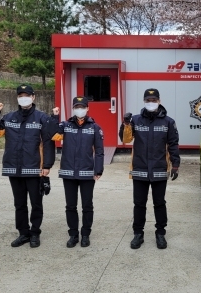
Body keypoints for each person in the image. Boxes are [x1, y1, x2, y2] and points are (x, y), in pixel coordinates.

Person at [0, 84, 56, 248]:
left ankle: (35, 233)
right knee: (19, 204)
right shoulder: (10, 117)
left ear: (33, 97)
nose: (23, 98)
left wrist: (47, 165)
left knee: (36, 203)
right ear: (17, 98)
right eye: (20, 95)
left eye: (27, 95)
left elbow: (48, 143)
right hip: (14, 168)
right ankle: (23, 233)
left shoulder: (42, 118)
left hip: (34, 168)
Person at [119, 88, 180, 250]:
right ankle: (138, 234)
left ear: (159, 101)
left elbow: (173, 144)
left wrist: (175, 164)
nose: (150, 103)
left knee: (159, 203)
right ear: (144, 102)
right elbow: (126, 139)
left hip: (159, 169)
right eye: (148, 100)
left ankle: (160, 234)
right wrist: (125, 124)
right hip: (140, 169)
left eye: (153, 100)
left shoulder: (168, 122)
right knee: (139, 204)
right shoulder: (136, 120)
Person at [51, 96, 104, 248]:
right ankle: (73, 234)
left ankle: (85, 234)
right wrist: (55, 117)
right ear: (73, 108)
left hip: (87, 173)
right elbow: (53, 135)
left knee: (87, 205)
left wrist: (98, 169)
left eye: (82, 106)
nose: (79, 109)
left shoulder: (95, 128)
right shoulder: (65, 125)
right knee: (70, 206)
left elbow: (99, 151)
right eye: (76, 106)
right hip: (68, 172)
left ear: (87, 108)